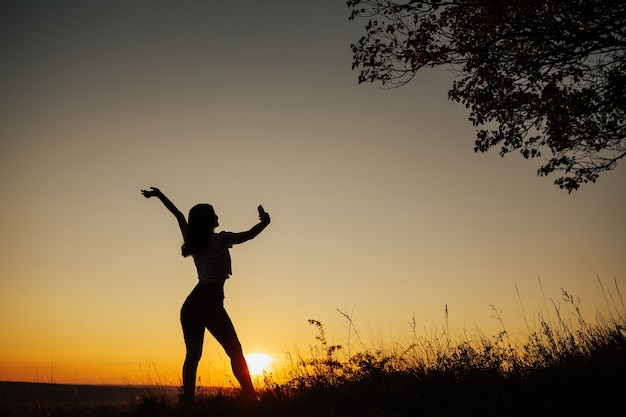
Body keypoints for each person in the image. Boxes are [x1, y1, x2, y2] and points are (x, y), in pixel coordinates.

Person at [140, 186, 270, 405]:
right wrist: (264, 222)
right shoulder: (221, 239)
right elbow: (248, 235)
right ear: (210, 220)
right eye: (214, 214)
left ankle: (188, 404)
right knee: (235, 352)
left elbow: (178, 215)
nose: (218, 216)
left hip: (192, 304)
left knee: (192, 358)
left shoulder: (192, 238)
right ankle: (252, 399)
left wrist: (159, 194)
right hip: (210, 303)